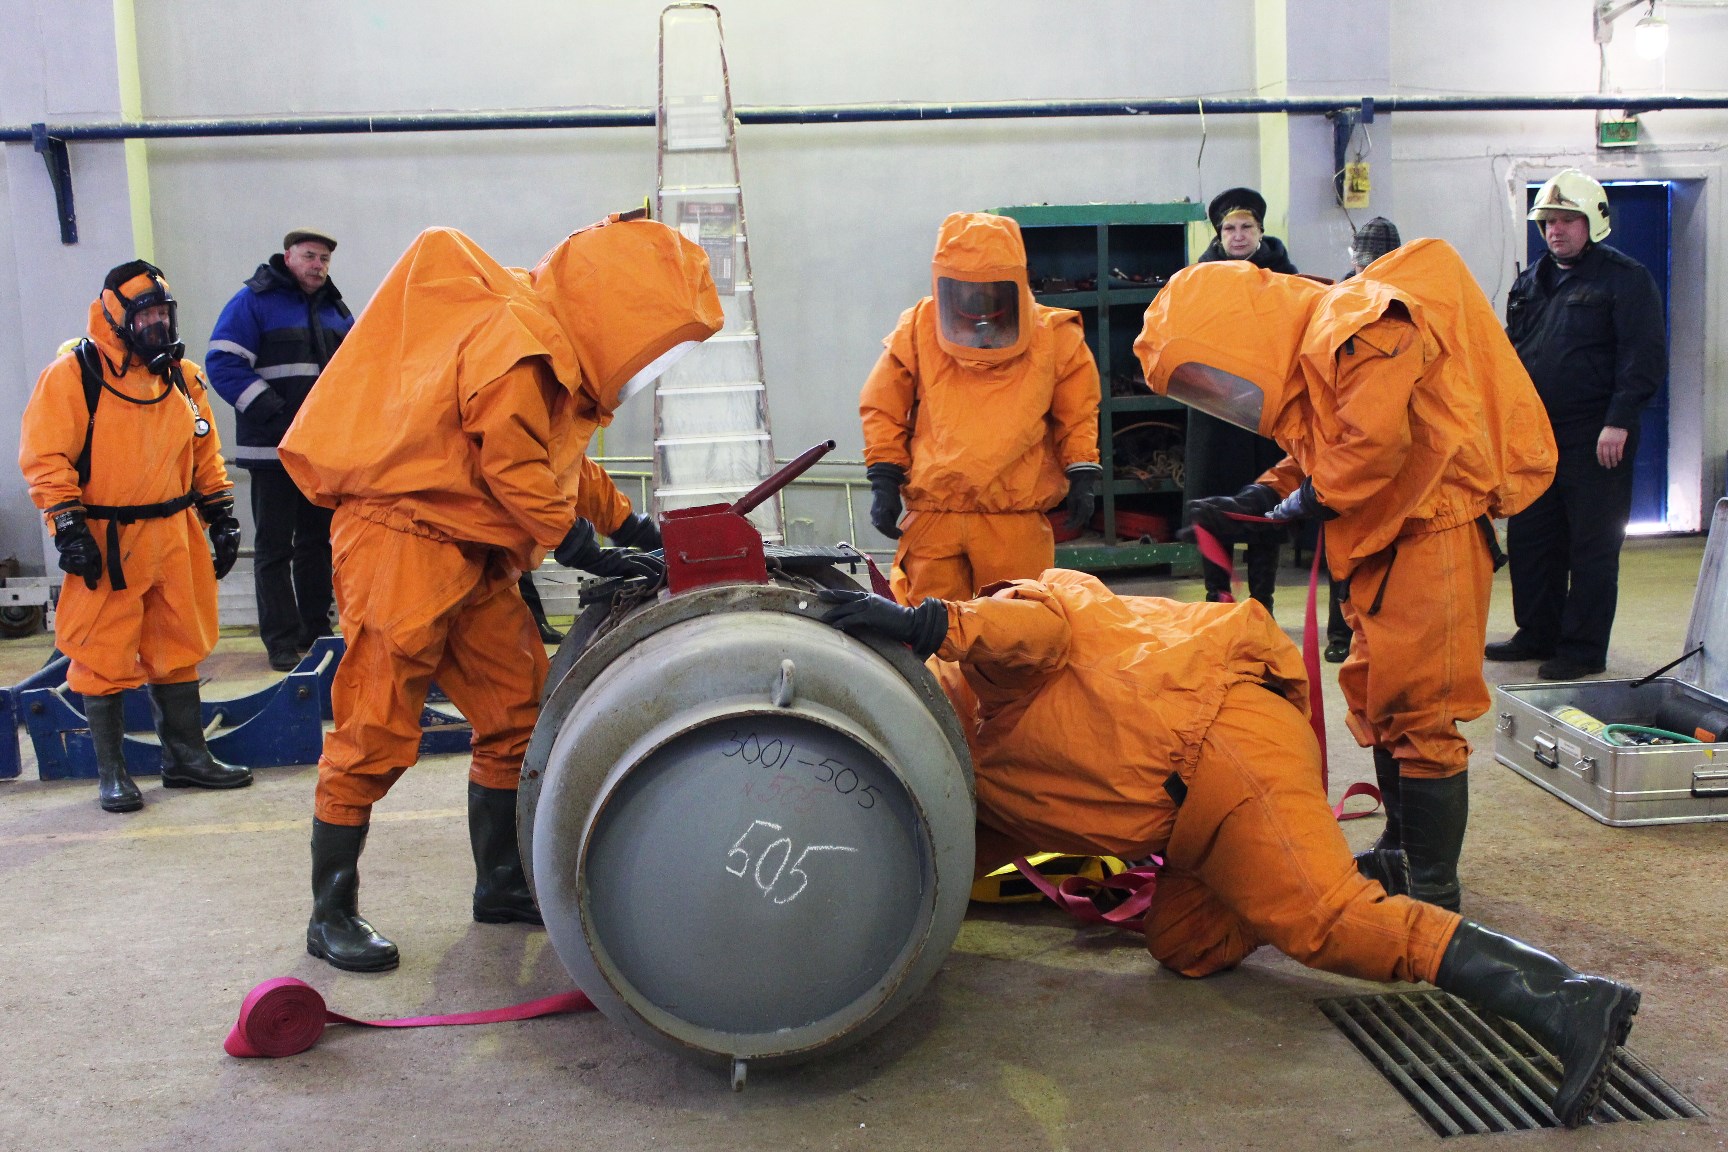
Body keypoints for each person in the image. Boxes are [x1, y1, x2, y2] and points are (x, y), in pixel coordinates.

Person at [820, 570, 1638, 1129]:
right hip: (1190, 827)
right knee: (1184, 946)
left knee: (1326, 923)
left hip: (1222, 739)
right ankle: (1301, 862)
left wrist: (934, 624)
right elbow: (941, 871)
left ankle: (1567, 1000)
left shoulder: (977, 668)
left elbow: (1037, 621)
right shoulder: (957, 784)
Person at [278, 215, 721, 972]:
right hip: (402, 542)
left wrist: (634, 529)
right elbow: (513, 464)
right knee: (377, 727)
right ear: (619, 309)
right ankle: (331, 913)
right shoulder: (517, 339)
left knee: (516, 713)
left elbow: (562, 465)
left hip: (474, 553)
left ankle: (502, 884)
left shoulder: (557, 356)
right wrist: (582, 547)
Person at [1135, 239, 1556, 914]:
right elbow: (1323, 449)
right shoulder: (1314, 353)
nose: (1217, 393)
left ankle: (1433, 892)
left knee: (1422, 712)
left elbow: (1368, 446)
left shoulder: (1362, 321)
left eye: (1208, 376)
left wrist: (1291, 510)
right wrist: (1256, 498)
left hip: (1432, 534)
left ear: (1236, 332)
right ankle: (1400, 855)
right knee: (1381, 703)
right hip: (1380, 541)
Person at [19, 261, 253, 812]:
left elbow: (203, 452)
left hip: (174, 532)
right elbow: (46, 456)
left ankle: (186, 759)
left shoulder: (182, 377)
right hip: (109, 537)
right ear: (116, 317)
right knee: (101, 651)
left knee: (179, 645)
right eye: (144, 313)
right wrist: (67, 525)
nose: (155, 323)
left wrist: (221, 514)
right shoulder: (74, 376)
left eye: (162, 313)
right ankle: (113, 772)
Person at [859, 211, 1101, 605]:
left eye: (991, 289)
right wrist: (883, 478)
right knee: (935, 639)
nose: (979, 299)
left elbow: (1077, 411)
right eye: (968, 289)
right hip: (945, 512)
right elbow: (883, 405)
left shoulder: (1055, 336)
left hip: (1006, 514)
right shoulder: (920, 327)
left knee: (1016, 634)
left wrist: (1082, 470)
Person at [1486, 170, 1667, 681]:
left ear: (1594, 222)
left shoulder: (1625, 280)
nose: (1556, 230)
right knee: (1532, 538)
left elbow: (1644, 356)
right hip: (1537, 437)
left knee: (1591, 545)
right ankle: (1537, 632)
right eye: (1548, 221)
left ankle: (1583, 648)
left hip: (1597, 437)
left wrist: (1620, 420)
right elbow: (1513, 352)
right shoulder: (1532, 281)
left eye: (1567, 220)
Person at [207, 229, 354, 672]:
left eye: (325, 258)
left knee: (317, 544)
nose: (318, 265)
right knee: (273, 549)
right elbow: (223, 362)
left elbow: (356, 372)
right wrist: (275, 414)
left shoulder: (335, 310)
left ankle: (314, 630)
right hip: (272, 452)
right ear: (288, 256)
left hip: (317, 455)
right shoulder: (252, 302)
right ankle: (280, 641)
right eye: (310, 256)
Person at [1188, 188, 1297, 612]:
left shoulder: (1287, 277)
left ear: (1260, 230)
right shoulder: (1197, 280)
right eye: (1229, 228)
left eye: (1246, 227)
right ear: (1218, 235)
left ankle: (1262, 601)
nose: (1237, 235)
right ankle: (1218, 596)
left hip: (1265, 409)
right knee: (1212, 498)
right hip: (1214, 409)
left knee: (1264, 501)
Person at [1324, 216, 1404, 663]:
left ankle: (1369, 635)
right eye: (1365, 257)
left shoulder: (1408, 302)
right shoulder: (1337, 302)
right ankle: (1343, 633)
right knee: (1348, 545)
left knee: (1380, 550)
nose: (1369, 265)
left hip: (1388, 443)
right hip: (1348, 442)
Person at [519, 456, 660, 645]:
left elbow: (571, 469)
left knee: (525, 667)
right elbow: (515, 473)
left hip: (488, 571)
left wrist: (632, 527)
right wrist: (580, 548)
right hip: (470, 564)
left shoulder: (559, 432)